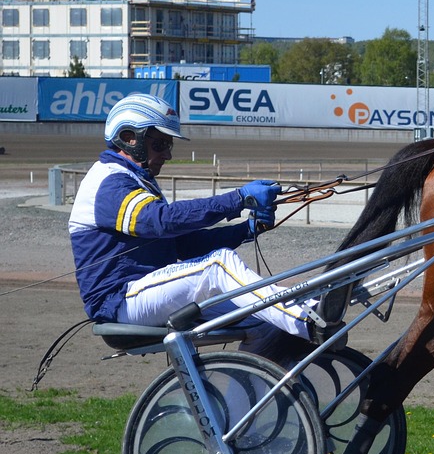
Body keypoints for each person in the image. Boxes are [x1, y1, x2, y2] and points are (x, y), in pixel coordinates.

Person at [68, 93, 327, 351]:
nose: (168, 154)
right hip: (120, 303)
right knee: (217, 265)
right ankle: (308, 318)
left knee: (261, 319)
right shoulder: (108, 181)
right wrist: (238, 199)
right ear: (128, 137)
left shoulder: (137, 180)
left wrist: (246, 230)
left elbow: (182, 245)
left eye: (169, 145)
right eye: (160, 144)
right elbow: (162, 221)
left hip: (147, 294)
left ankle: (248, 390)